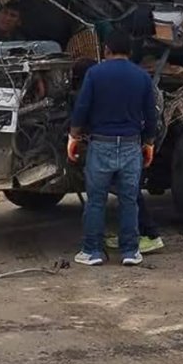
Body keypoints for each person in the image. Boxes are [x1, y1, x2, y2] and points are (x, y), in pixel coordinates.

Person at [68, 30, 158, 267]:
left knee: (96, 200)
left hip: (101, 144)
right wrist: (149, 142)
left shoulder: (95, 74)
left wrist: (74, 135)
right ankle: (130, 252)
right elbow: (151, 114)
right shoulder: (142, 77)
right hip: (131, 146)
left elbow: (82, 107)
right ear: (130, 51)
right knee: (129, 200)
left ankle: (92, 252)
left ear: (106, 49)